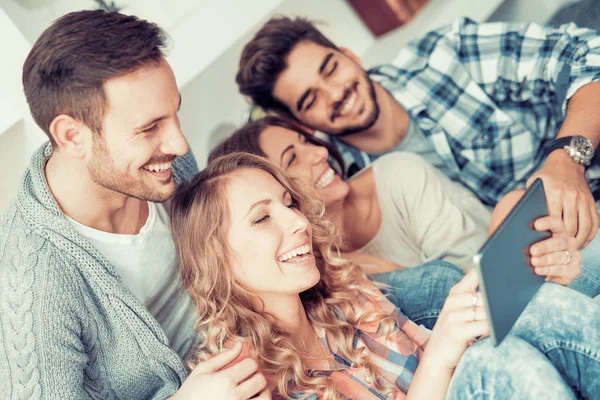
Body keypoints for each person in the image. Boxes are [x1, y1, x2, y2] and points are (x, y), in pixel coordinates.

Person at [0, 10, 274, 399]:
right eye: (149, 129)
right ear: (72, 136)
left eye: (173, 113)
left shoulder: (161, 164)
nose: (179, 144)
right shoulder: (30, 284)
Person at [171, 151, 600, 399]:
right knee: (493, 360)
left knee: (524, 314)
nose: (297, 223)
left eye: (289, 204)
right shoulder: (240, 382)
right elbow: (452, 363)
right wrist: (446, 350)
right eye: (263, 219)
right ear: (217, 259)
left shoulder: (343, 295)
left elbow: (452, 361)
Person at [236, 16, 600, 249]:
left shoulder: (444, 58)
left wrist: (567, 159)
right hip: (543, 263)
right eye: (310, 99)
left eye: (330, 69)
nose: (336, 94)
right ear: (301, 122)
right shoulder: (341, 185)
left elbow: (586, 54)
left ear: (350, 54)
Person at [209, 115, 582, 285]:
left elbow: (483, 281)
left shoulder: (398, 175)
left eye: (307, 141)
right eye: (293, 158)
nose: (318, 154)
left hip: (532, 274)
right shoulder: (306, 273)